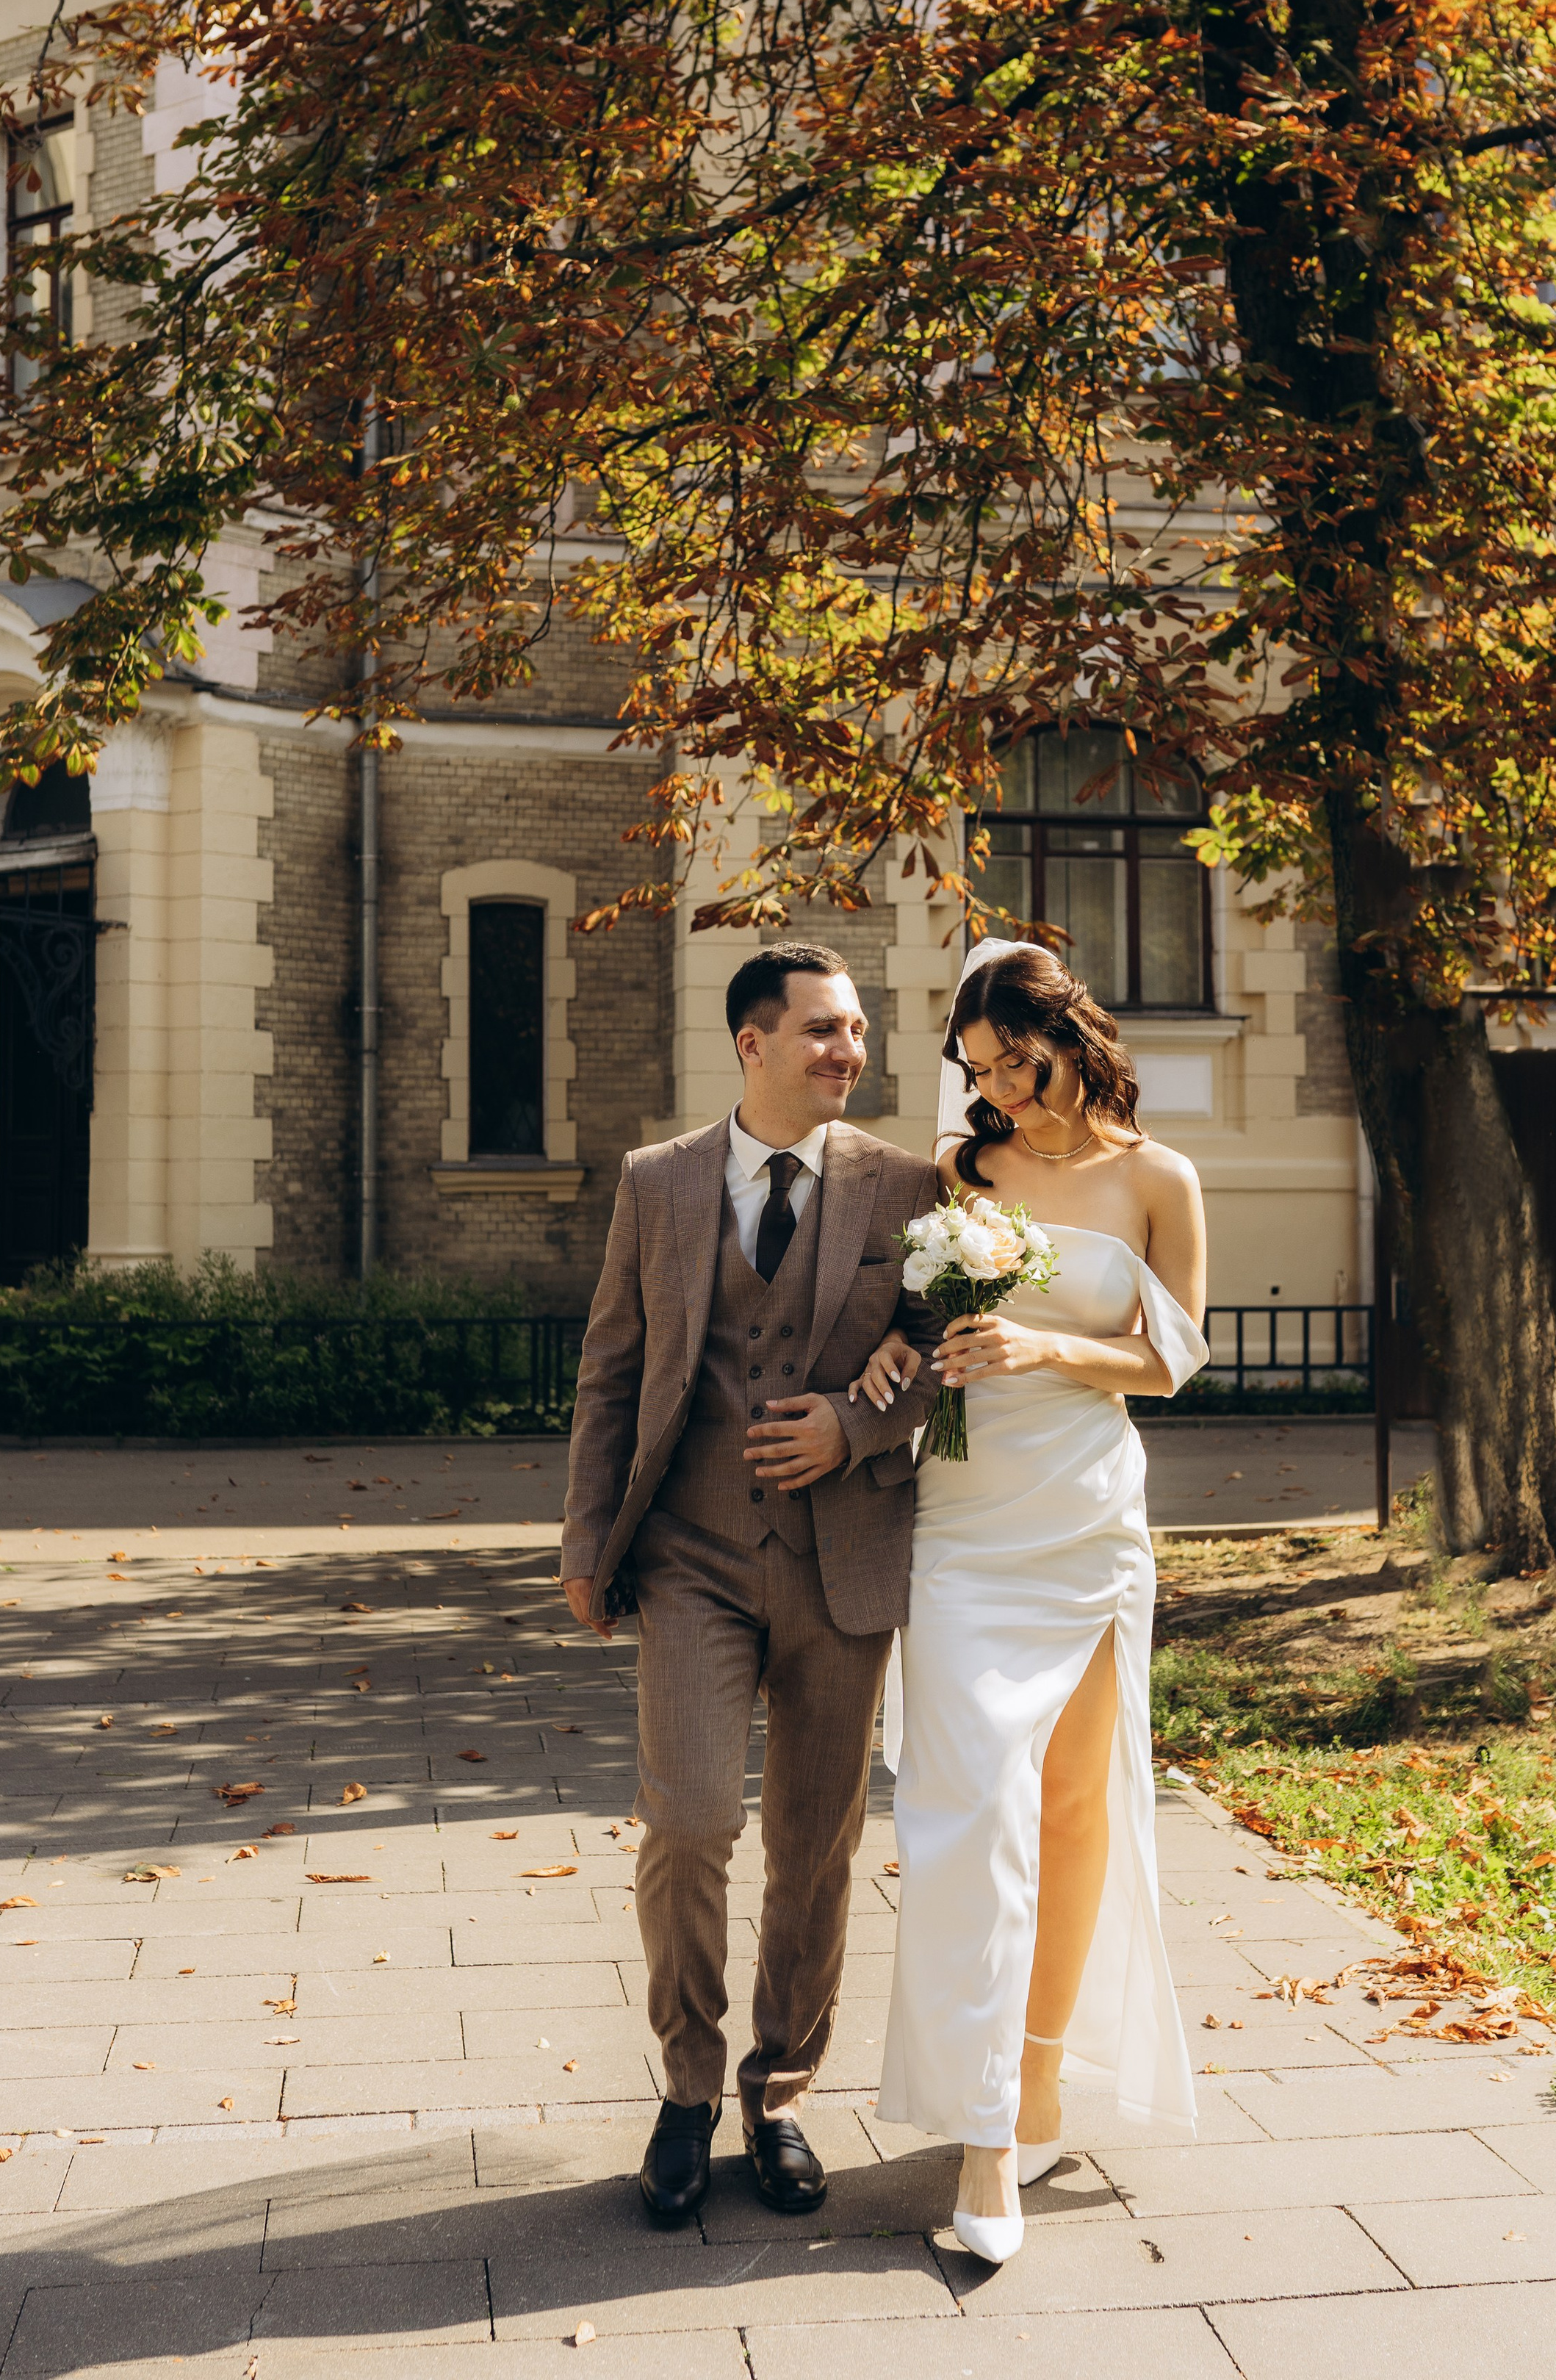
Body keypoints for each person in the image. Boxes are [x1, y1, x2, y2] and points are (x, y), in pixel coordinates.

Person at [560, 941, 940, 2226]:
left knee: (816, 1845)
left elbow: (942, 1355)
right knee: (688, 1822)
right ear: (753, 1044)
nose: (852, 1051)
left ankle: (776, 2096)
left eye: (860, 1033)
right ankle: (684, 2086)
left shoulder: (908, 1186)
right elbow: (614, 1366)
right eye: (826, 1031)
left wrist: (857, 1425)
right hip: (690, 1558)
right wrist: (582, 1538)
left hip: (845, 1561)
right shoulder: (658, 1183)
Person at [859, 938, 1208, 2263]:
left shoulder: (1159, 1179)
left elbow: (1173, 1359)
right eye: (981, 1070)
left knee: (1073, 1812)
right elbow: (904, 1319)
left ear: (1074, 1033)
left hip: (1090, 1525)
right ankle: (984, 2134)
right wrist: (900, 1356)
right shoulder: (960, 1175)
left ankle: (1045, 2076)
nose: (1001, 1089)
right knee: (969, 1818)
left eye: (1020, 1059)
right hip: (964, 1527)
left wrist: (1048, 1343)